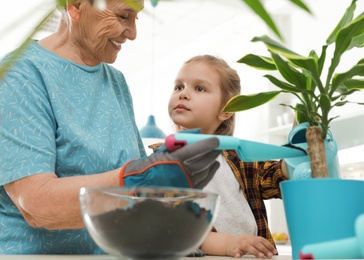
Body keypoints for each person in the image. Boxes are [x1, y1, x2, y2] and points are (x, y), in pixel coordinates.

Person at [0, 0, 221, 254]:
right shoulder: (20, 74)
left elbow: (136, 198)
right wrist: (137, 178)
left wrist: (163, 196)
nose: (133, 34)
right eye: (123, 16)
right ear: (76, 6)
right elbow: (36, 205)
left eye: (136, 18)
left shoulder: (116, 82)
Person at [165, 54, 289, 258]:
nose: (183, 94)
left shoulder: (241, 159)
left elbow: (279, 177)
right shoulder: (162, 161)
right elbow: (175, 224)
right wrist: (227, 244)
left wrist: (300, 133)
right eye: (179, 86)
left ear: (226, 110)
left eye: (199, 88)